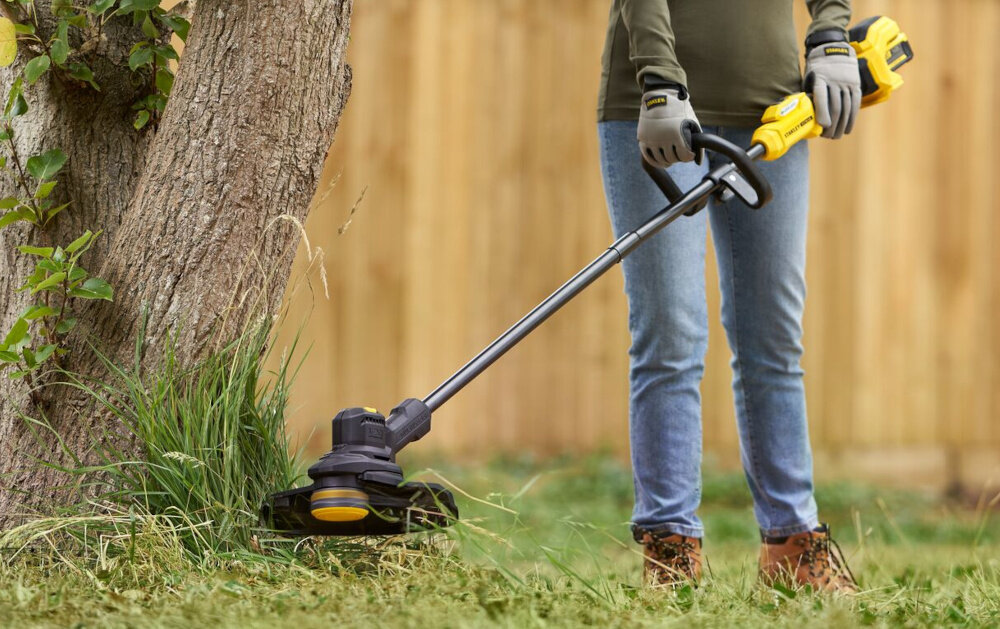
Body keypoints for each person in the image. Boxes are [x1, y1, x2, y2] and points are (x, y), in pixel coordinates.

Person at [597, 0, 860, 592]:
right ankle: (671, 549)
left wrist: (830, 35)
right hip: (655, 107)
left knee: (772, 336)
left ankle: (794, 545)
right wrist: (660, 80)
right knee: (671, 333)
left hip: (773, 107)